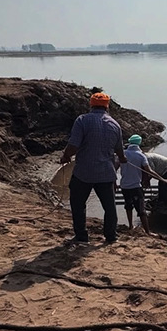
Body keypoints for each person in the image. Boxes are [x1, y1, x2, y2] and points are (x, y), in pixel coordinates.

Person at [59, 91, 127, 245]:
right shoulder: (115, 125)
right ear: (107, 107)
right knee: (109, 207)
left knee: (78, 204)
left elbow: (73, 145)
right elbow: (119, 150)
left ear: (91, 104)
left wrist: (65, 157)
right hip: (106, 173)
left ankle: (81, 236)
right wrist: (123, 159)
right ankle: (111, 236)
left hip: (84, 172)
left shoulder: (82, 120)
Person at [119, 135, 165, 234]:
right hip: (135, 186)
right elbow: (149, 171)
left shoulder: (123, 154)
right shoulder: (141, 156)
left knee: (128, 206)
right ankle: (148, 231)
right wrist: (163, 179)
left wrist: (113, 182)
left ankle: (130, 225)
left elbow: (114, 168)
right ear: (139, 144)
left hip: (124, 186)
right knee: (141, 210)